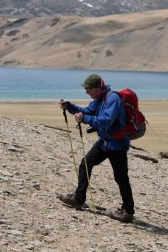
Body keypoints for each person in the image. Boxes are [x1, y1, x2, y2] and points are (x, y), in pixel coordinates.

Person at [57, 74, 135, 223]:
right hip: (105, 141)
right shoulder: (99, 99)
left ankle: (128, 212)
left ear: (97, 88)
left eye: (88, 89)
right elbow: (86, 111)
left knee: (121, 178)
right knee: (86, 163)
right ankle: (78, 199)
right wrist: (69, 106)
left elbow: (106, 120)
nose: (86, 92)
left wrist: (84, 119)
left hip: (117, 144)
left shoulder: (113, 99)